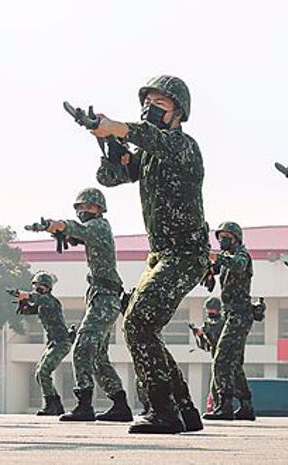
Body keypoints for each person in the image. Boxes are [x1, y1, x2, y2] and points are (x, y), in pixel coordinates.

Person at [89, 75, 210, 434]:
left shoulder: (183, 146)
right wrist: (110, 145)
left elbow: (149, 138)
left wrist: (119, 128)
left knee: (138, 324)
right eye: (148, 102)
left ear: (179, 113)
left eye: (160, 104)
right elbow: (112, 178)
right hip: (161, 256)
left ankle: (162, 410)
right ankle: (184, 409)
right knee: (145, 326)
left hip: (185, 254)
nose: (150, 109)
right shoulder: (150, 154)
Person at [39, 188, 130, 423]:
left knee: (81, 347)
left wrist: (59, 226)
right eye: (79, 207)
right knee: (98, 355)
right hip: (103, 296)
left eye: (88, 207)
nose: (83, 211)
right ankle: (120, 404)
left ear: (99, 209)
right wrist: (63, 233)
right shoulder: (96, 229)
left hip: (105, 296)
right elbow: (80, 235)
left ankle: (84, 404)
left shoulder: (99, 225)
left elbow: (79, 230)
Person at [203, 222, 256, 421]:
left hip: (240, 314)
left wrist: (218, 257)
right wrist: (208, 268)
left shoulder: (242, 254)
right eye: (220, 236)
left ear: (235, 238)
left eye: (226, 236)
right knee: (233, 362)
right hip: (231, 314)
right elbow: (213, 268)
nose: (222, 240)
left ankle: (224, 405)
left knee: (221, 359)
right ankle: (246, 405)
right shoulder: (227, 257)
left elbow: (238, 264)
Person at [13, 272, 73, 416]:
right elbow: (25, 311)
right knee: (40, 373)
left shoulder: (50, 301)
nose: (37, 288)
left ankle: (50, 405)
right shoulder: (41, 303)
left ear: (47, 287)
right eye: (35, 286)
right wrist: (21, 300)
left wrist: (25, 295)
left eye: (40, 286)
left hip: (61, 342)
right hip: (53, 343)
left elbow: (38, 298)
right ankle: (55, 404)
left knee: (43, 372)